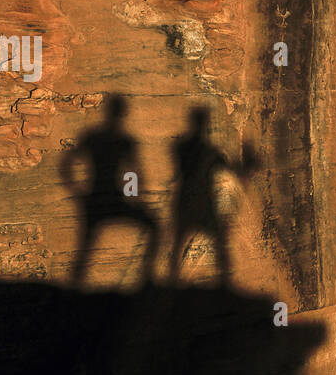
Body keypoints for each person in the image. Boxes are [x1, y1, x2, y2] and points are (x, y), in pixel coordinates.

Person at [60, 94, 159, 286]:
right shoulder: (122, 141)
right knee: (152, 226)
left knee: (86, 245)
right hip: (110, 198)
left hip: (97, 198)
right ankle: (145, 280)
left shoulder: (94, 137)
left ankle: (74, 287)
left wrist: (78, 190)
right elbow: (132, 171)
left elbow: (69, 162)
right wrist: (133, 196)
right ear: (121, 114)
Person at [169, 106, 258, 284]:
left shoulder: (180, 146)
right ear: (205, 125)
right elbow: (235, 170)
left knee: (179, 244)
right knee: (220, 246)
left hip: (184, 201)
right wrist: (248, 163)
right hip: (201, 203)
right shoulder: (210, 152)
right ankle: (225, 287)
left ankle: (171, 285)